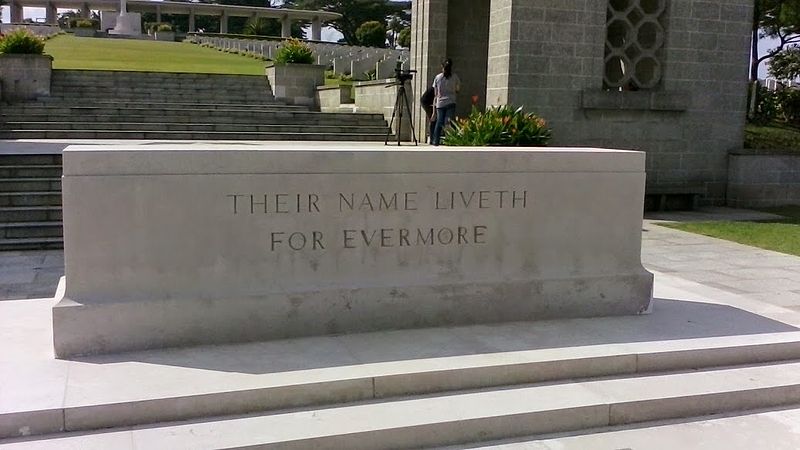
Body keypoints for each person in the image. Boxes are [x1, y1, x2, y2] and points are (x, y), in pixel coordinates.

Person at [431, 58, 460, 146]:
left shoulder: (438, 78)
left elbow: (435, 93)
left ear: (442, 67)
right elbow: (457, 89)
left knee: (439, 122)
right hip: (451, 101)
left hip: (440, 103)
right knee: (448, 122)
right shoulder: (455, 77)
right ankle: (449, 141)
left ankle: (435, 141)